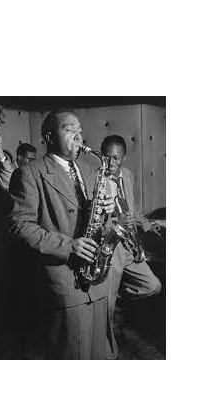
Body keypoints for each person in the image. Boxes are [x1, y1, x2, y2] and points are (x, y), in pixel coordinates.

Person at [8, 110, 117, 360]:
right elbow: (20, 226)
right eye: (69, 130)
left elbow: (97, 221)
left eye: (80, 131)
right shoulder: (29, 173)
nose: (78, 136)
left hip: (97, 282)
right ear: (49, 137)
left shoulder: (90, 170)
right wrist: (69, 246)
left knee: (99, 356)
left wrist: (107, 210)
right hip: (65, 283)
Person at [100, 134, 162, 326]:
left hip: (130, 245)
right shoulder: (95, 179)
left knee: (153, 286)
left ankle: (114, 296)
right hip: (111, 247)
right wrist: (117, 222)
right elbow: (93, 222)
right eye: (106, 157)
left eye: (116, 158)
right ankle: (108, 346)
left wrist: (147, 225)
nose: (110, 162)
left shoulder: (127, 175)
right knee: (107, 311)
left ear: (124, 157)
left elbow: (132, 209)